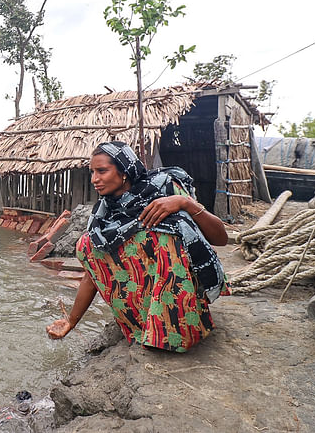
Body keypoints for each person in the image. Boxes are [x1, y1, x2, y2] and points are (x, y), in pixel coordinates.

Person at [46, 141, 230, 352]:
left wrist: (184, 203)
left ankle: (179, 323)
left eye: (102, 171)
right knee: (88, 245)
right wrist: (71, 321)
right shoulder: (105, 213)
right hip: (147, 302)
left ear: (124, 172)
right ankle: (146, 321)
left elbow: (221, 238)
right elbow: (94, 271)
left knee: (166, 230)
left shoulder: (164, 188)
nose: (94, 179)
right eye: (92, 172)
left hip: (184, 287)